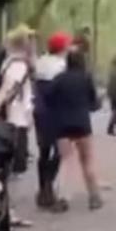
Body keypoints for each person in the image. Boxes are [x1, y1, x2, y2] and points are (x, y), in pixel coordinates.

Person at [45, 50, 103, 210]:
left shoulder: (59, 79)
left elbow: (48, 98)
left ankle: (63, 198)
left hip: (62, 126)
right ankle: (94, 196)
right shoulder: (86, 78)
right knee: (87, 161)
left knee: (66, 161)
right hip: (82, 124)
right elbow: (94, 102)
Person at [0, 24, 35, 176]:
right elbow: (7, 89)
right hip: (16, 117)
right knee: (13, 161)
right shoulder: (19, 64)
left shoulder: (14, 63)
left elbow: (8, 89)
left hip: (15, 116)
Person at [34, 32, 71, 210]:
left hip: (40, 111)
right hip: (57, 112)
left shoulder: (40, 62)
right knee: (60, 151)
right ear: (62, 48)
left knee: (44, 151)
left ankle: (43, 187)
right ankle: (49, 185)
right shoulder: (62, 66)